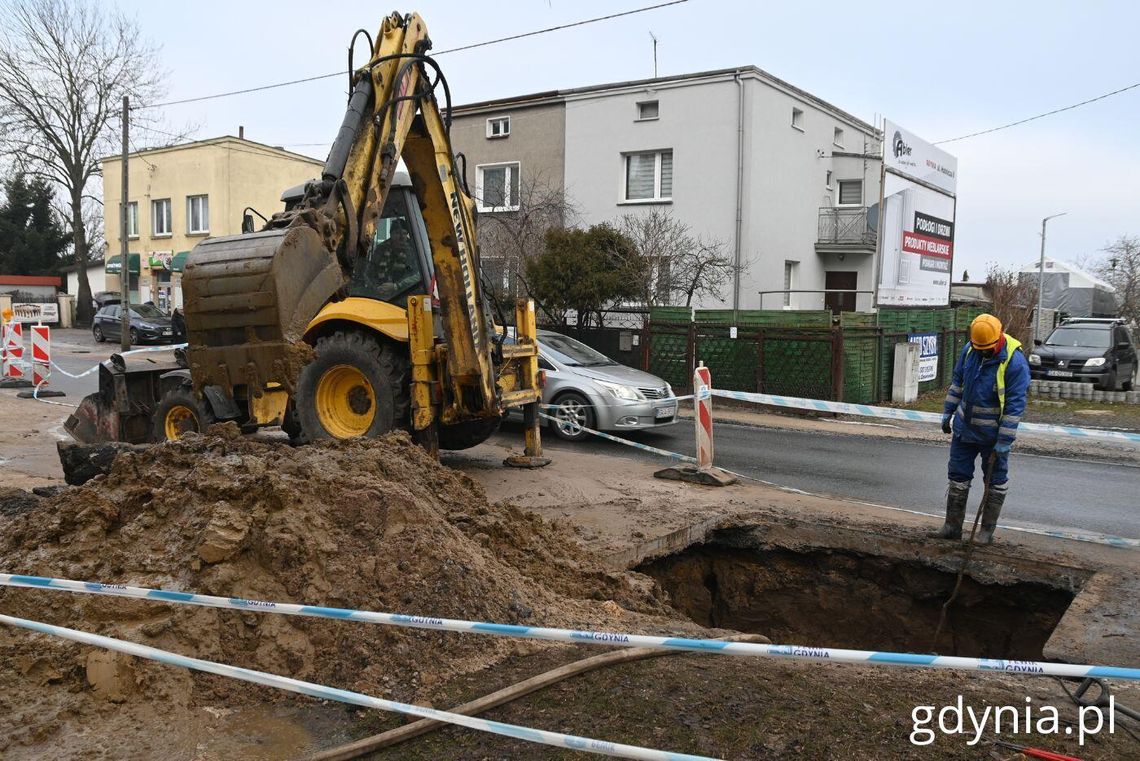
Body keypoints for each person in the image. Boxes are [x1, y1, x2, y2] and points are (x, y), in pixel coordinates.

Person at [932, 313, 1030, 544]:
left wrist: (1005, 439)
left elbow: (1015, 405)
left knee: (995, 480)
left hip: (992, 437)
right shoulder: (970, 351)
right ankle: (952, 527)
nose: (982, 352)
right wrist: (948, 411)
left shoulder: (1014, 363)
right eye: (979, 348)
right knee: (957, 476)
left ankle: (986, 532)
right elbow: (957, 382)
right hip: (964, 431)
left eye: (986, 349)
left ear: (997, 339)